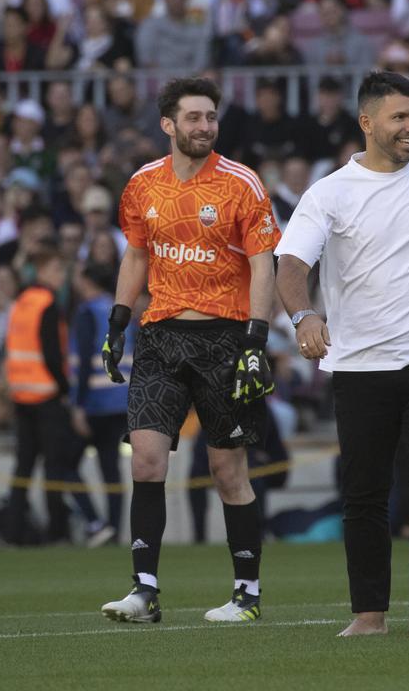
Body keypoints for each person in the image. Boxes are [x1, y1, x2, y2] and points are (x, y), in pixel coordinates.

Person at [275, 71, 409, 638]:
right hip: (361, 365)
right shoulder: (329, 192)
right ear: (367, 123)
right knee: (365, 493)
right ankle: (368, 616)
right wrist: (305, 316)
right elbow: (291, 266)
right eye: (400, 117)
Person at [100, 77, 280, 625]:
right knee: (147, 460)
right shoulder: (141, 185)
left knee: (228, 473)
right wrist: (117, 322)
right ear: (169, 125)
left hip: (225, 339)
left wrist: (255, 341)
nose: (204, 126)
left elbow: (262, 263)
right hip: (160, 337)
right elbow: (135, 257)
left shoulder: (241, 184)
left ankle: (246, 594)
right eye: (194, 118)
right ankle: (144, 591)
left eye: (211, 117)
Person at [5, 249, 91, 544]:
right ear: (41, 271)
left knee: (23, 468)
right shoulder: (48, 304)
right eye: (55, 269)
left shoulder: (21, 303)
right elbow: (52, 354)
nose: (60, 275)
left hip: (21, 396)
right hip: (46, 397)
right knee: (53, 466)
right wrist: (67, 390)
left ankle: (12, 531)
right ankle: (58, 531)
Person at [70, 261, 134, 544]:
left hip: (95, 402)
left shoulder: (86, 313)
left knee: (63, 463)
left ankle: (97, 523)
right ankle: (114, 530)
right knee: (111, 469)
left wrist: (77, 405)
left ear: (86, 281)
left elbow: (85, 360)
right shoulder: (119, 309)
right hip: (120, 399)